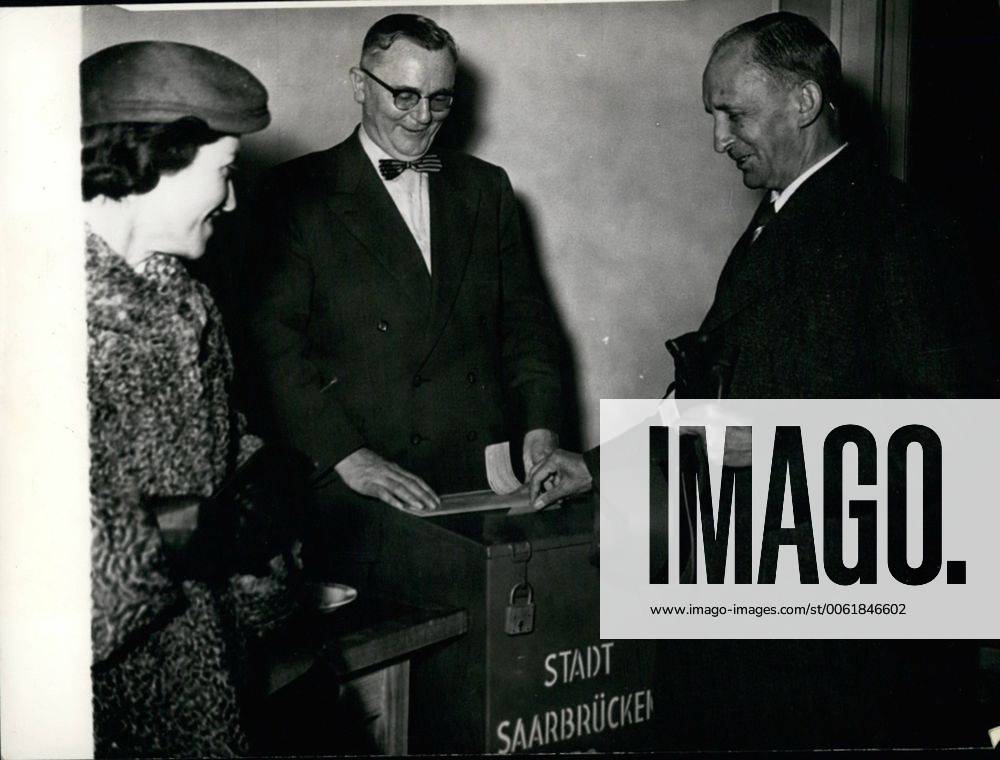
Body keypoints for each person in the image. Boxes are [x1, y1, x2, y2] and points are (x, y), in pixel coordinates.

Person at [527, 12, 982, 748]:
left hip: (835, 648)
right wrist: (596, 467)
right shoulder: (775, 221)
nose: (717, 139)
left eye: (732, 112)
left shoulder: (904, 231)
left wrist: (777, 448)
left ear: (802, 103)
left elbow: (946, 450)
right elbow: (716, 404)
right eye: (712, 115)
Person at [246, 14, 562, 517]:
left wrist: (541, 431)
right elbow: (271, 350)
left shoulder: (487, 188)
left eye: (440, 98)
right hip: (360, 483)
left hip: (479, 478)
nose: (422, 117)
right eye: (405, 95)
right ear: (359, 85)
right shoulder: (294, 192)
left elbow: (527, 325)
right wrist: (347, 456)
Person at [83, 41, 296, 756]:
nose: (233, 200)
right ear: (155, 161)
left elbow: (222, 459)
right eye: (224, 174)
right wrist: (185, 533)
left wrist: (265, 502)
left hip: (209, 683)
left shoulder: (188, 304)